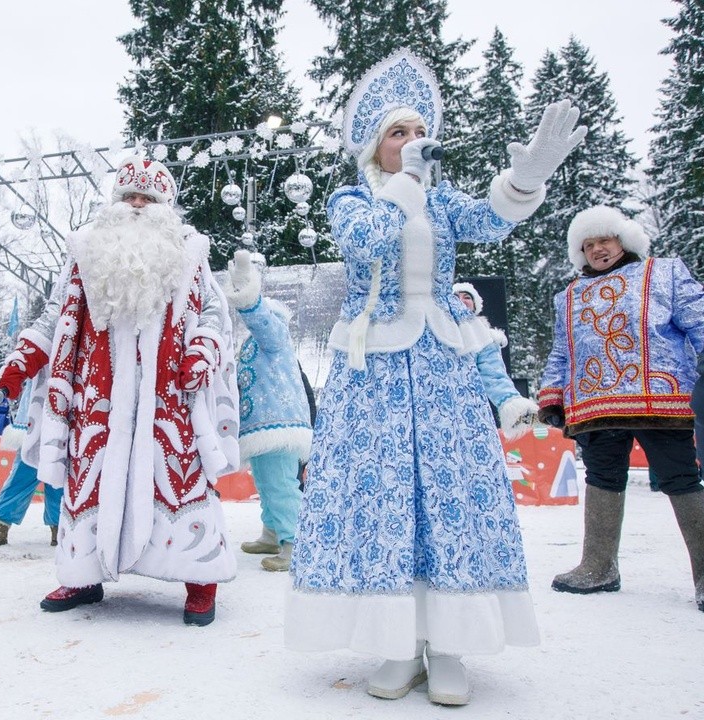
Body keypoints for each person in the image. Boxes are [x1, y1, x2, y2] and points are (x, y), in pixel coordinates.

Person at [284, 49, 586, 707]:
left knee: (446, 496)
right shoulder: (351, 199)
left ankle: (447, 646)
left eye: (421, 132)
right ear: (376, 146)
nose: (414, 142)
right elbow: (364, 241)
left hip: (444, 367)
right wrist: (405, 186)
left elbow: (495, 219)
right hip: (376, 375)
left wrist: (525, 178)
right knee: (387, 499)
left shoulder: (445, 203)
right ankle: (397, 645)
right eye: (399, 133)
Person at [0, 155, 240, 626]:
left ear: (165, 206)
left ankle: (200, 579)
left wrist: (201, 350)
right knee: (89, 478)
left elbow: (213, 311)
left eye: (148, 199)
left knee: (178, 475)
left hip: (169, 395)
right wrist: (25, 357)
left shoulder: (189, 253)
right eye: (128, 196)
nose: (136, 206)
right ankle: (83, 575)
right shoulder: (86, 250)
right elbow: (57, 313)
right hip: (97, 396)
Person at [537, 205, 704, 612]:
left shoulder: (662, 273)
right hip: (595, 402)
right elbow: (563, 351)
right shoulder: (570, 295)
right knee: (602, 476)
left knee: (680, 477)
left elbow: (699, 320)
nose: (598, 250)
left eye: (604, 240)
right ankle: (598, 566)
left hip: (660, 398)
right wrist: (552, 394)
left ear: (623, 239)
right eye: (588, 245)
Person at [223, 250, 312, 571]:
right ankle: (273, 533)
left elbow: (262, 321)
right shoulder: (255, 346)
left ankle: (296, 542)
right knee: (265, 483)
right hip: (261, 426)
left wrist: (249, 298)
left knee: (280, 485)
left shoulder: (275, 337)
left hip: (278, 425)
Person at [0, 379, 63, 549]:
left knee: (57, 476)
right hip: (33, 419)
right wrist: (6, 387)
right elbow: (21, 363)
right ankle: (1, 526)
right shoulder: (37, 352)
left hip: (62, 415)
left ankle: (60, 528)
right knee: (21, 475)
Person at [452, 282, 538, 438]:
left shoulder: (484, 337)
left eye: (467, 297)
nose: (461, 300)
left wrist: (511, 402)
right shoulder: (433, 333)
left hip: (469, 406)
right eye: (455, 296)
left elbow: (493, 374)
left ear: (474, 305)